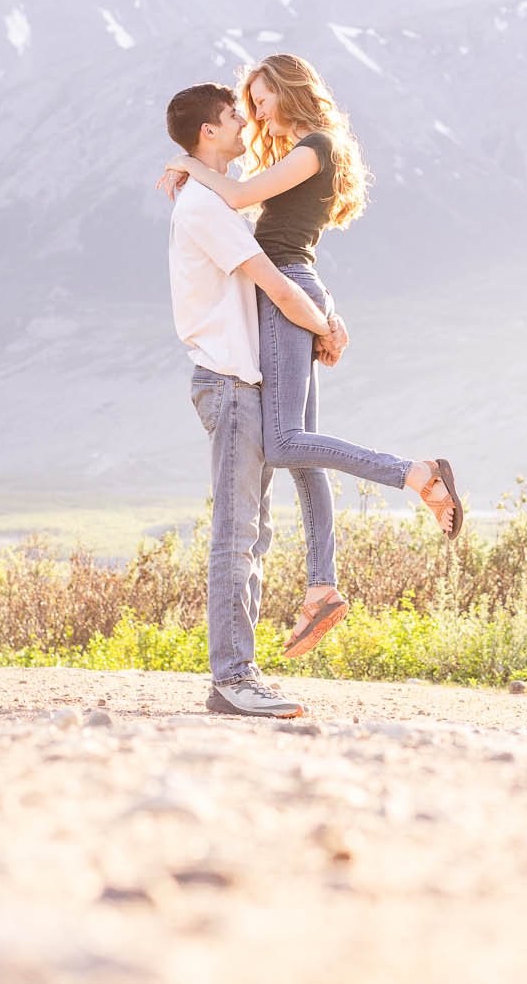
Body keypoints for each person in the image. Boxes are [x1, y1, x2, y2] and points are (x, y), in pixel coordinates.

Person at [164, 54, 461, 663]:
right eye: (245, 104)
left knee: (285, 442)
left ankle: (415, 473)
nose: (255, 112)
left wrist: (190, 165)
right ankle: (322, 585)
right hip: (299, 287)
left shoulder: (315, 146)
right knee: (301, 448)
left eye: (261, 97)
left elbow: (244, 198)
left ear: (288, 89)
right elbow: (264, 219)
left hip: (288, 294)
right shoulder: (302, 152)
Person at [164, 81, 331, 719]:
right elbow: (278, 290)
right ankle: (232, 679)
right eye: (234, 116)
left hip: (242, 384)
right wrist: (328, 328)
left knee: (252, 534)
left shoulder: (211, 200)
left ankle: (239, 675)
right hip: (230, 385)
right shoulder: (207, 208)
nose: (245, 124)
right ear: (210, 132)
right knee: (236, 536)